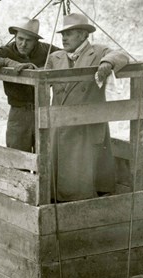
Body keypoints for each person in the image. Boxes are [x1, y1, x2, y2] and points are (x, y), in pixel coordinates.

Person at [45, 13, 129, 202]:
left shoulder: (98, 52)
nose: (64, 38)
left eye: (70, 33)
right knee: (59, 181)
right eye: (62, 34)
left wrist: (107, 63)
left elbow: (121, 54)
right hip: (60, 128)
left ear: (83, 35)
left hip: (85, 128)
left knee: (83, 183)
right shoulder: (55, 57)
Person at [0, 18, 59, 152]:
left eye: (28, 40)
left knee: (46, 158)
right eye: (20, 38)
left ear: (36, 41)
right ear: (15, 37)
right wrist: (7, 62)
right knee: (17, 159)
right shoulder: (7, 51)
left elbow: (69, 56)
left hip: (43, 111)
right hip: (18, 114)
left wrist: (45, 68)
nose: (23, 44)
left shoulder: (46, 50)